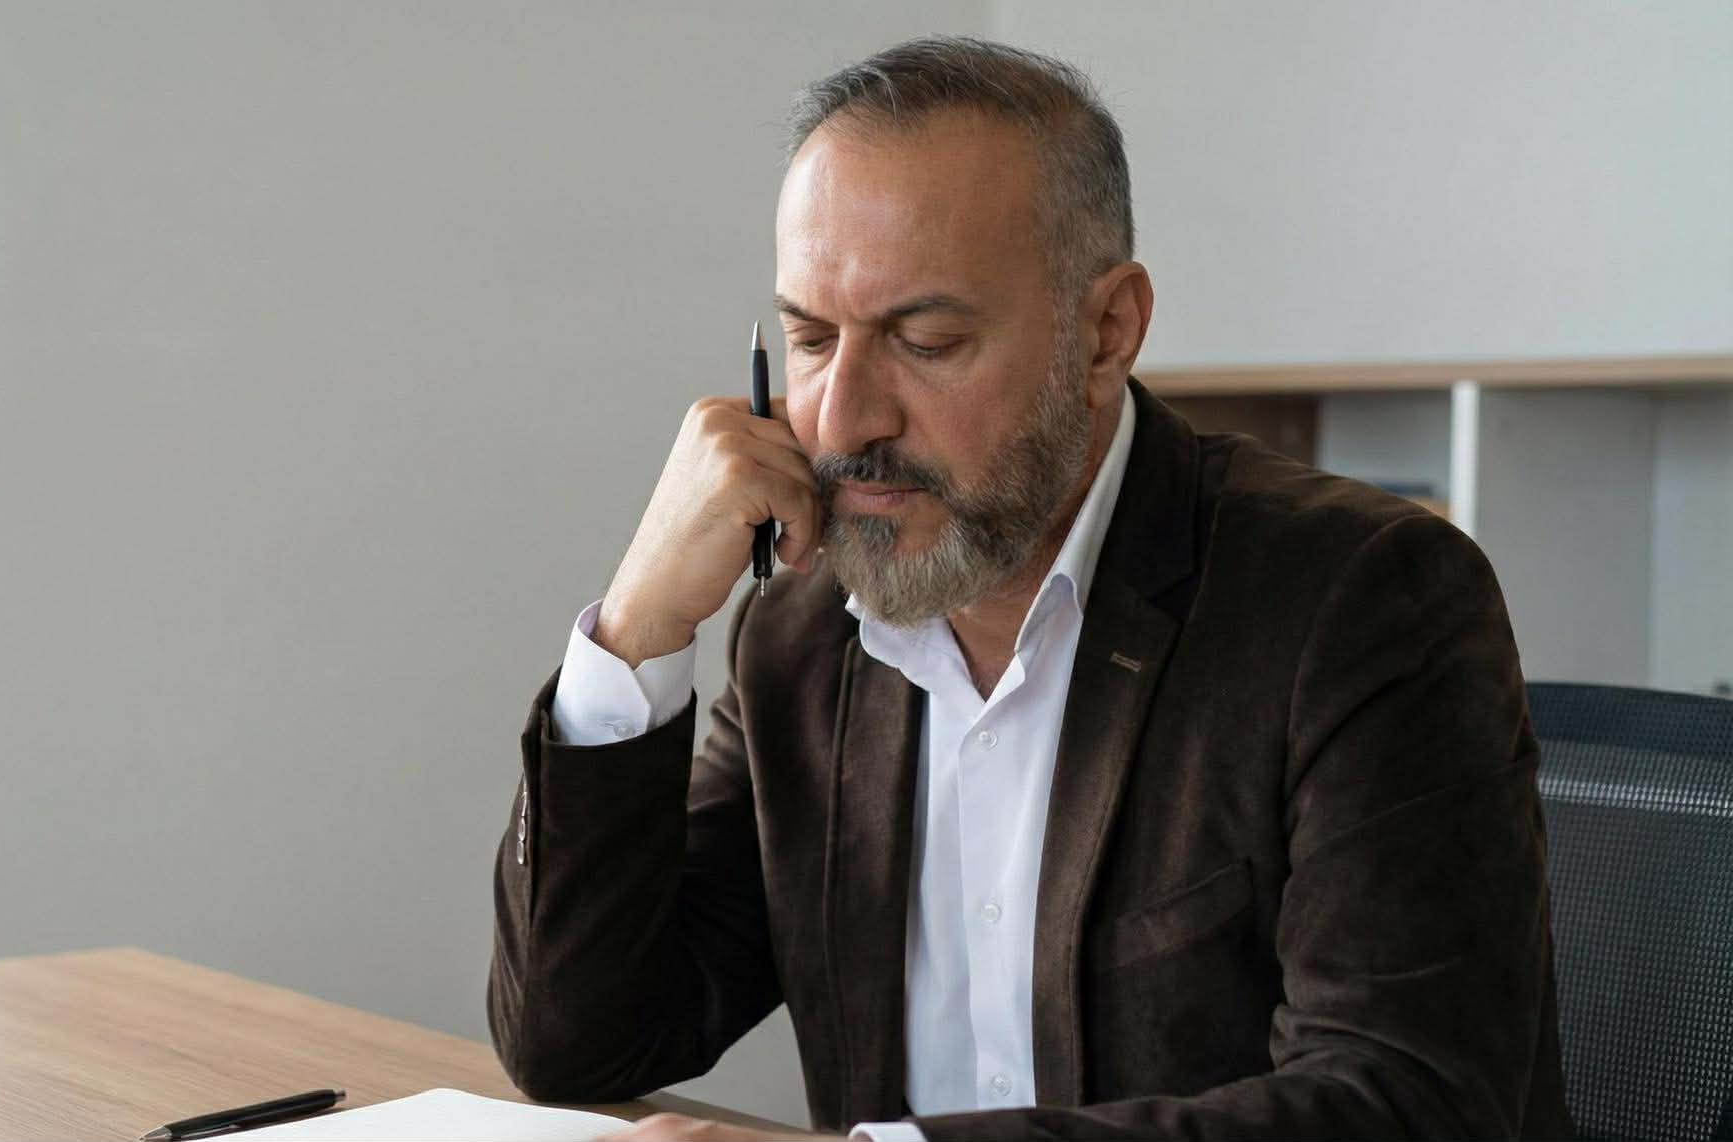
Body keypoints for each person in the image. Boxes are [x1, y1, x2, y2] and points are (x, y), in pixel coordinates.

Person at [488, 35, 1571, 1142]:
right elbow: (582, 1040)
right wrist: (639, 625)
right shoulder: (803, 632)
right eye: (809, 339)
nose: (843, 418)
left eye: (924, 340)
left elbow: (1407, 1105)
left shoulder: (1362, 600)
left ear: (1106, 332)